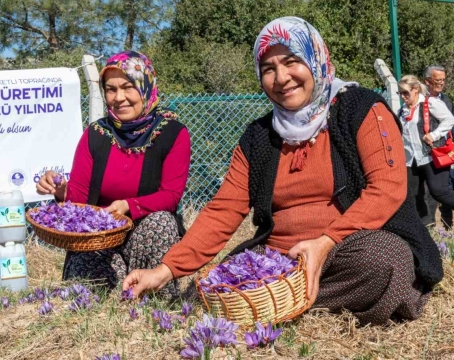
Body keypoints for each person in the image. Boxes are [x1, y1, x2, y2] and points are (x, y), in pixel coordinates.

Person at [122, 17, 443, 325]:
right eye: (268, 69)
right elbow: (224, 209)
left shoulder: (361, 108)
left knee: (383, 262)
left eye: (292, 62)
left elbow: (387, 187)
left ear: (316, 58)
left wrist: (326, 242)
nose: (281, 77)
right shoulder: (258, 137)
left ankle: (275, 300)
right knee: (209, 286)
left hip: (349, 249)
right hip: (281, 260)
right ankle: (286, 296)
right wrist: (166, 270)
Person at [36, 51, 191, 297]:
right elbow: (79, 197)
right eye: (110, 89)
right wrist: (60, 190)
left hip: (145, 237)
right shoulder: (95, 135)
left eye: (128, 87)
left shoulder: (172, 134)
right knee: (87, 293)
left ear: (145, 87)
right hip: (100, 242)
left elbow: (171, 195)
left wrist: (127, 206)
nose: (119, 98)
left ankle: (158, 297)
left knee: (161, 222)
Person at [397, 75, 454, 227]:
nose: (403, 96)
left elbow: (449, 119)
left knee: (439, 191)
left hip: (432, 155)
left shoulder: (430, 103)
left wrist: (434, 135)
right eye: (400, 93)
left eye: (405, 93)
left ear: (415, 90)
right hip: (411, 159)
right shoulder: (402, 111)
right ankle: (426, 225)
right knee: (414, 194)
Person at [423, 65, 454, 228]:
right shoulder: (419, 98)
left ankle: (446, 225)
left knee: (443, 189)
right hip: (425, 153)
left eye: (443, 80)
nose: (441, 83)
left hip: (443, 151)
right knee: (428, 192)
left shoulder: (446, 100)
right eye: (438, 80)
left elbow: (450, 124)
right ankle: (431, 226)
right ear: (427, 81)